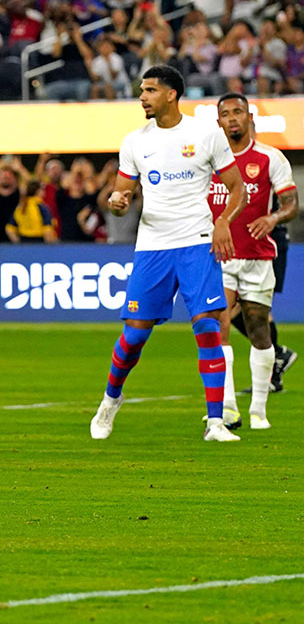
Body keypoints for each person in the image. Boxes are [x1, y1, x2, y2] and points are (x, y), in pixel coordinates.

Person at [90, 65, 247, 443]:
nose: (142, 97)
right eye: (142, 90)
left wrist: (224, 219)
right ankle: (110, 401)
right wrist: (117, 201)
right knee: (134, 337)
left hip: (197, 240)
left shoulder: (206, 133)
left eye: (149, 90)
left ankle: (215, 422)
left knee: (208, 327)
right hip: (154, 246)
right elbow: (120, 198)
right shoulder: (134, 142)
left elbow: (236, 187)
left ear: (172, 94)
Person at [211, 94, 298, 428]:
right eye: (225, 114)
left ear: (249, 118)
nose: (232, 119)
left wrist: (274, 219)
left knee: (259, 329)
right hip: (220, 257)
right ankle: (227, 408)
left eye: (237, 112)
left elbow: (291, 203)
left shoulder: (269, 157)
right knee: (219, 325)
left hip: (258, 257)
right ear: (219, 122)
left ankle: (259, 411)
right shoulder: (209, 159)